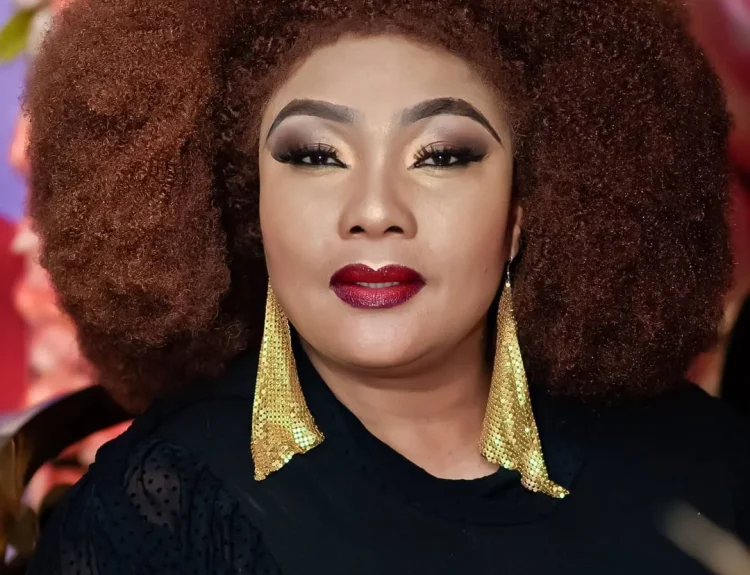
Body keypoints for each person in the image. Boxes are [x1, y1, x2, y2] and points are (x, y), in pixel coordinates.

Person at [21, 0, 750, 573]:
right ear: (249, 209)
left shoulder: (706, 464)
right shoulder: (159, 515)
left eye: (441, 155)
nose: (374, 210)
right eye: (315, 155)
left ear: (522, 214)